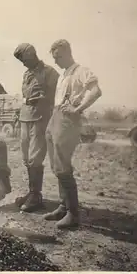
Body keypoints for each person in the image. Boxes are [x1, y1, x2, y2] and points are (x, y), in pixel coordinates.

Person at [43, 39, 102, 229]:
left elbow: (96, 91)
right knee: (56, 165)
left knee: (63, 167)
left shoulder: (81, 71)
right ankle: (63, 206)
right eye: (54, 58)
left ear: (68, 53)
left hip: (68, 121)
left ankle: (73, 214)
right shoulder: (63, 75)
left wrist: (78, 110)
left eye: (58, 56)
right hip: (55, 117)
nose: (56, 61)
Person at [13, 43, 59, 212]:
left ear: (33, 54)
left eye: (25, 60)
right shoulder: (27, 74)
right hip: (25, 119)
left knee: (34, 158)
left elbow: (56, 97)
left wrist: (42, 100)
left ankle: (36, 196)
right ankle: (32, 192)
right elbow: (25, 97)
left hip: (41, 119)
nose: (24, 64)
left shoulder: (50, 73)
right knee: (26, 158)